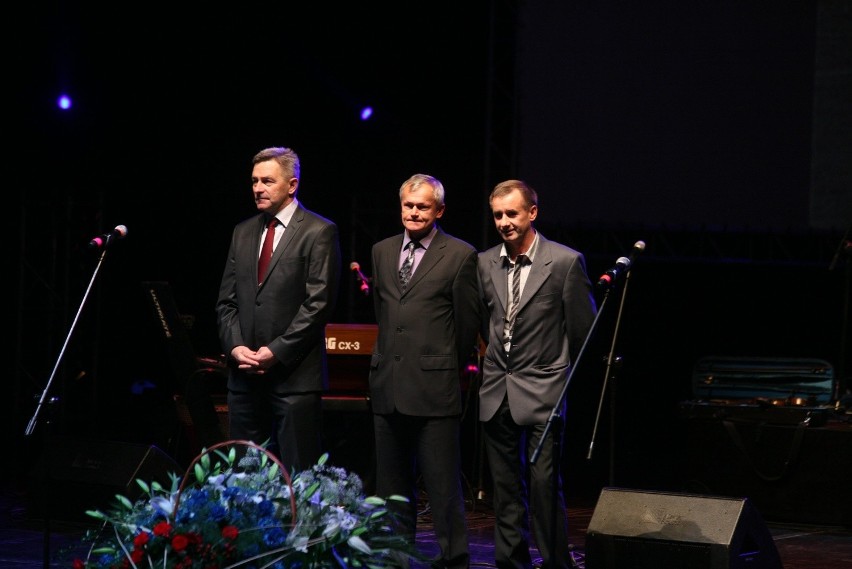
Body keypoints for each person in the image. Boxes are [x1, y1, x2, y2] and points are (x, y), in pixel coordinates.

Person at [477, 179, 597, 569]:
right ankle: (510, 562)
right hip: (498, 388)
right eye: (498, 215)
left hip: (544, 390)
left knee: (544, 485)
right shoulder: (484, 262)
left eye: (512, 213)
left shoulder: (563, 262)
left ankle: (555, 561)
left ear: (532, 213)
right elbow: (485, 320)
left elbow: (583, 331)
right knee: (505, 488)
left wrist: (560, 377)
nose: (504, 222)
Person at [368, 173, 481, 569]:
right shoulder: (381, 251)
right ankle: (396, 557)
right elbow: (384, 314)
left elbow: (466, 326)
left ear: (439, 210)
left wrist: (447, 366)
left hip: (435, 387)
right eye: (408, 206)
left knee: (441, 485)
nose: (414, 213)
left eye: (423, 206)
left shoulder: (460, 254)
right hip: (388, 385)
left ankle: (454, 558)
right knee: (391, 487)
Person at [216, 146, 341, 474]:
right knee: (244, 479)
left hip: (294, 378)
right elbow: (227, 301)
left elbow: (319, 304)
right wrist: (235, 347)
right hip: (244, 378)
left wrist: (276, 351)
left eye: (267, 181)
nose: (258, 188)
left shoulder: (319, 231)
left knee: (299, 476)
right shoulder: (242, 231)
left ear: (292, 184)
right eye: (255, 181)